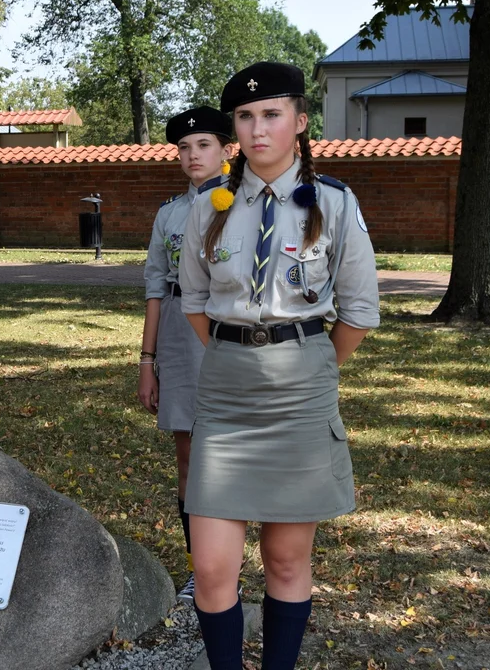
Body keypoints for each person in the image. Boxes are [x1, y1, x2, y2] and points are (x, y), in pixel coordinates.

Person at [178, 62, 379, 669]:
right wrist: (236, 353)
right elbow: (193, 302)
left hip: (302, 390)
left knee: (287, 561)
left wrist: (308, 361)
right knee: (212, 566)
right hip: (226, 393)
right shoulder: (209, 206)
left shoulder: (336, 204)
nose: (257, 129)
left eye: (270, 115)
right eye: (244, 117)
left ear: (299, 121)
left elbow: (360, 311)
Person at [139, 106, 232, 604]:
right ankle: (203, 568)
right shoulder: (170, 213)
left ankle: (228, 562)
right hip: (178, 332)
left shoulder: (243, 204)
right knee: (189, 457)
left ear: (225, 150)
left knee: (230, 455)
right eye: (183, 148)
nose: (192, 155)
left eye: (203, 146)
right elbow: (156, 284)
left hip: (230, 329)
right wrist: (146, 359)